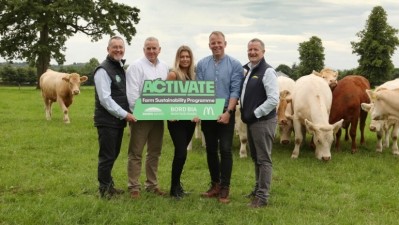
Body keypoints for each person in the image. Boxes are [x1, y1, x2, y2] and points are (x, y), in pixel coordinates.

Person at [196, 31, 243, 204]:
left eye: (219, 42)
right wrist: (200, 112)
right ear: (209, 45)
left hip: (225, 112)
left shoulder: (235, 65)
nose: (216, 45)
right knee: (210, 149)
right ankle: (215, 185)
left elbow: (235, 90)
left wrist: (228, 113)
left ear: (225, 43)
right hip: (207, 112)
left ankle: (225, 187)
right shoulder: (202, 64)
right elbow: (199, 89)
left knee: (225, 149)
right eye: (213, 43)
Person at [126, 37, 169, 199]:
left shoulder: (164, 67)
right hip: (141, 117)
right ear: (143, 49)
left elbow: (167, 92)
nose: (151, 51)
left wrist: (167, 112)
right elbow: (132, 93)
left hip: (158, 117)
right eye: (148, 48)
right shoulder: (136, 67)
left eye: (154, 48)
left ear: (159, 49)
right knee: (136, 152)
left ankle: (152, 185)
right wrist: (138, 113)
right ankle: (134, 187)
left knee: (154, 151)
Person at [93, 36, 136, 199]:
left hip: (116, 121)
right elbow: (105, 99)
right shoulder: (103, 70)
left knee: (113, 154)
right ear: (108, 49)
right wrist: (125, 114)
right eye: (115, 47)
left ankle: (109, 185)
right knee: (107, 156)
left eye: (121, 47)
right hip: (107, 121)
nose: (118, 49)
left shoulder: (118, 67)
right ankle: (104, 190)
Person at [240, 38, 279, 208]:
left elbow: (273, 99)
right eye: (250, 49)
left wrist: (255, 113)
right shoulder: (249, 70)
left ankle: (262, 197)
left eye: (256, 49)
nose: (252, 52)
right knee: (256, 157)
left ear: (263, 51)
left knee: (264, 159)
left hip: (262, 121)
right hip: (251, 121)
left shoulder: (267, 71)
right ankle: (257, 190)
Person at [166, 45, 199, 199]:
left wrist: (198, 114)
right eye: (182, 56)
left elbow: (198, 99)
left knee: (183, 153)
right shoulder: (173, 75)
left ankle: (178, 186)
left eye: (188, 57)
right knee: (180, 153)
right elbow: (164, 97)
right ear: (178, 58)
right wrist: (169, 113)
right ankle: (173, 189)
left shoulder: (193, 76)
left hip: (190, 120)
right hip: (176, 120)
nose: (185, 59)